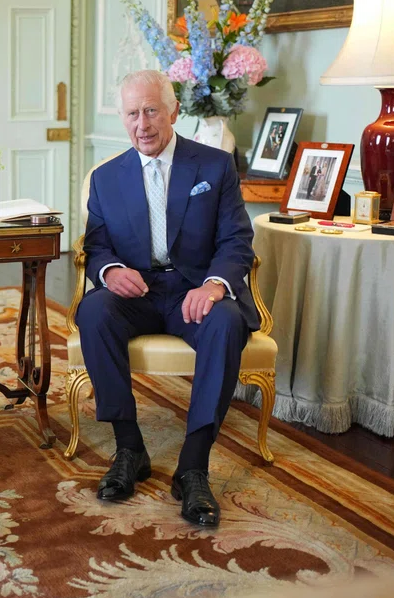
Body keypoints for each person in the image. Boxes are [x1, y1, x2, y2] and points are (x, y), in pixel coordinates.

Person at [76, 69, 259, 528]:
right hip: (137, 292)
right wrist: (110, 271)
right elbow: (96, 246)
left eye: (151, 111)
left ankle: (193, 466)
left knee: (226, 321)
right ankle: (129, 448)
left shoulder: (214, 166)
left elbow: (236, 240)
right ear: (122, 118)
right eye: (132, 114)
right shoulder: (105, 178)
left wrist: (214, 285)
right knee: (94, 309)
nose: (142, 124)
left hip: (194, 291)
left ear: (174, 112)